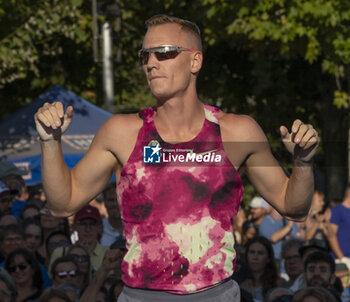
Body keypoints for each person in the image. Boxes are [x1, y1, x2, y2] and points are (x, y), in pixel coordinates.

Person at [34, 14, 319, 301]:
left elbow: (293, 209)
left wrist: (303, 163)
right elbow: (62, 204)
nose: (151, 63)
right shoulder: (120, 132)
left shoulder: (237, 131)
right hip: (141, 295)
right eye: (145, 55)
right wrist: (49, 142)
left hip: (215, 293)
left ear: (195, 61)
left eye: (165, 52)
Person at [245, 236, 283, 301]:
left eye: (260, 253)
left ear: (268, 258)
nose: (255, 257)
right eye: (252, 252)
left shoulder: (279, 284)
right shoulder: (240, 284)